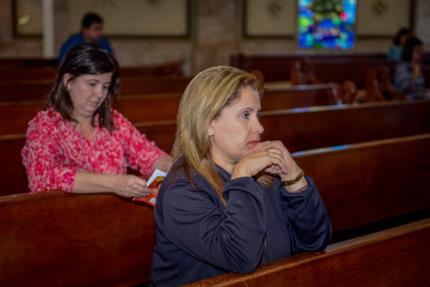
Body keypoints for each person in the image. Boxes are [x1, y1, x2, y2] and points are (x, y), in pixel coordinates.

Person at [150, 66, 332, 286]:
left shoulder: (263, 175)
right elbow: (240, 257)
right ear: (208, 123)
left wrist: (293, 177)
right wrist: (242, 177)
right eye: (245, 115)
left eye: (258, 114)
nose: (259, 127)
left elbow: (314, 243)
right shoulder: (182, 190)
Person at [22, 44, 172, 198]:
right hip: (63, 217)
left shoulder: (113, 121)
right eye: (92, 84)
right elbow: (42, 177)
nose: (99, 94)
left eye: (105, 86)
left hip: (113, 215)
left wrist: (171, 166)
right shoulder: (45, 125)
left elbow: (149, 156)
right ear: (68, 81)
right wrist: (113, 183)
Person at [393, 36, 427, 100]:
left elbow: (421, 87)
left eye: (421, 51)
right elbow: (405, 89)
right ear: (409, 51)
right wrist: (415, 75)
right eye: (417, 51)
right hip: (407, 103)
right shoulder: (401, 67)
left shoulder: (418, 66)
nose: (420, 54)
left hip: (420, 100)